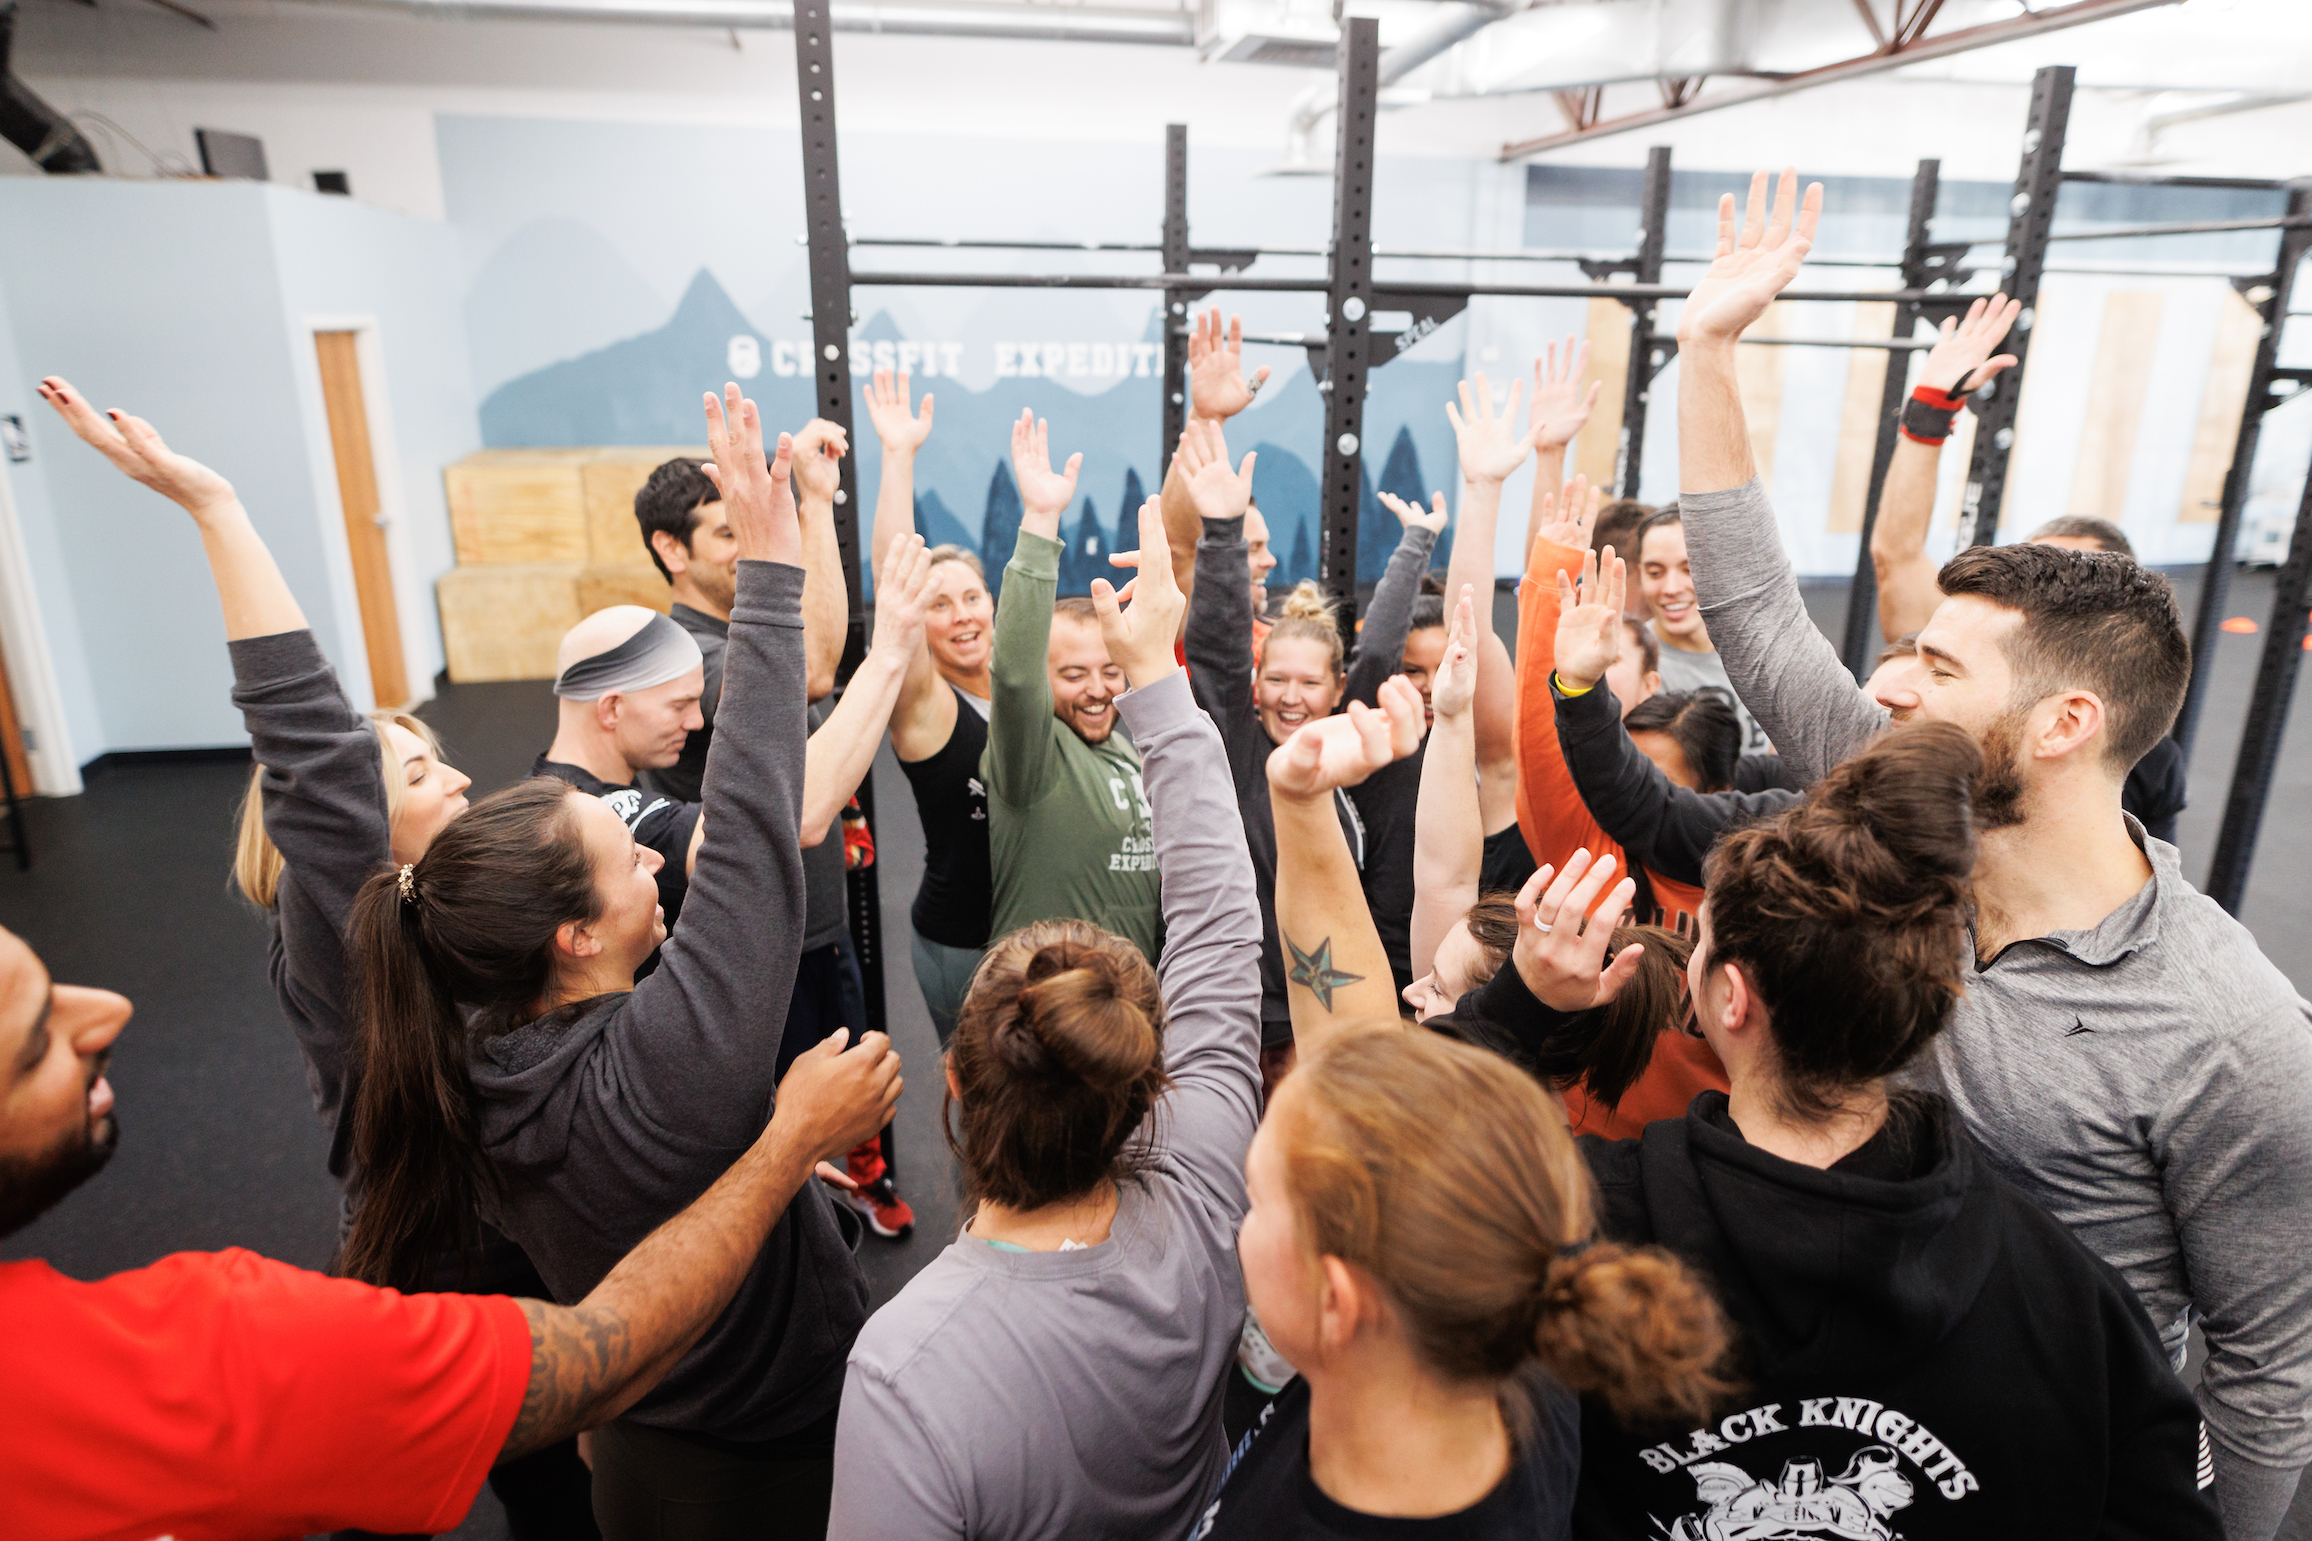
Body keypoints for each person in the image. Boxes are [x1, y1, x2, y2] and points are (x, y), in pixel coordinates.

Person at [1674, 167, 2312, 1537]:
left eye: (1935, 664)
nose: (1889, 686)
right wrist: (1707, 348)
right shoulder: (1906, 803)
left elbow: (2266, 1372)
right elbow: (1753, 607)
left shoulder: (2234, 1032)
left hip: (2035, 1485)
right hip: (1829, 1423)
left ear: (2066, 722)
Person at [341, 387, 928, 1541]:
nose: (658, 866)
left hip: (645, 1434)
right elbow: (756, 830)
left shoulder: (476, 1055)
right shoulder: (670, 1062)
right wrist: (771, 571)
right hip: (764, 1455)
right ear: (573, 934)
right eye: (627, 858)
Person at [35, 375, 604, 1537]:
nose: (454, 776)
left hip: (526, 1246)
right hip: (432, 1265)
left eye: (436, 758)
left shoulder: (452, 906)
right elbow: (308, 742)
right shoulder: (340, 936)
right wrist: (217, 509)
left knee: (563, 1498)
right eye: (414, 774)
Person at [1498, 723, 2223, 1541]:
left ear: (1730, 998)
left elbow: (1374, 1175)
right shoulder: (2068, 1300)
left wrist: (1513, 1005)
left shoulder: (1573, 1226)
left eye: (1699, 941)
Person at [0, 917, 903, 1540]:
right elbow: (611, 1349)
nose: (110, 1010)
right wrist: (785, 1142)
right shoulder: (203, 1356)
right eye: (35, 1040)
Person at [827, 494, 1268, 1540]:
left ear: (956, 1088)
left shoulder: (905, 1368)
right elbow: (1219, 917)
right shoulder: (1213, 1178)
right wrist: (1152, 659)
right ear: (1142, 1089)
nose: (1095, 687)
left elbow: (1199, 916)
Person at [1863, 298, 2187, 841]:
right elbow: (1896, 553)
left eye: (2064, 581)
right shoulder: (1956, 665)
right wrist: (1927, 415)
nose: (2037, 589)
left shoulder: (2146, 755)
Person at [1176, 416, 1438, 1066]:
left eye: (1309, 683)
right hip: (1240, 1016)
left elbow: (1377, 650)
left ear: (1336, 690)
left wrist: (1415, 544)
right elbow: (1216, 646)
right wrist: (1223, 531)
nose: (1292, 697)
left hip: (1320, 1010)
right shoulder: (1237, 747)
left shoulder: (1338, 753)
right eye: (1278, 680)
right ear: (1256, 685)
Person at [984, 410, 1163, 962]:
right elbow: (1013, 674)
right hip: (1041, 1011)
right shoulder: (1030, 758)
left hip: (1133, 1009)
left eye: (1110, 671)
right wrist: (1041, 519)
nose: (1097, 689)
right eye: (1072, 674)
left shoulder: (1132, 749)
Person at [862, 367, 995, 1045]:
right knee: (984, 1128)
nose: (962, 615)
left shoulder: (1032, 687)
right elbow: (894, 573)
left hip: (1035, 932)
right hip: (963, 948)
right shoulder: (927, 705)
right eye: (939, 604)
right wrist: (897, 455)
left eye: (971, 596)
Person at [535, 605, 710, 931]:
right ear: (612, 708)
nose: (696, 721)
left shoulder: (544, 791)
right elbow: (756, 832)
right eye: (679, 705)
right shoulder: (593, 821)